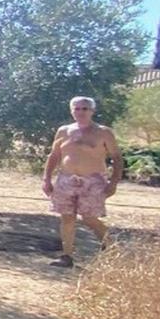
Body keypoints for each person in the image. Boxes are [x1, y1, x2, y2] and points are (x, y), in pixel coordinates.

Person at [42, 95, 122, 268]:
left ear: (92, 111)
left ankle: (111, 246)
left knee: (89, 218)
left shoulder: (103, 132)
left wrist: (113, 183)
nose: (80, 112)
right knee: (67, 217)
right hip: (66, 179)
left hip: (93, 181)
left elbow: (117, 157)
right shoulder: (64, 131)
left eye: (84, 108)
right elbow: (54, 155)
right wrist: (47, 179)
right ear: (72, 111)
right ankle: (67, 256)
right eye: (77, 109)